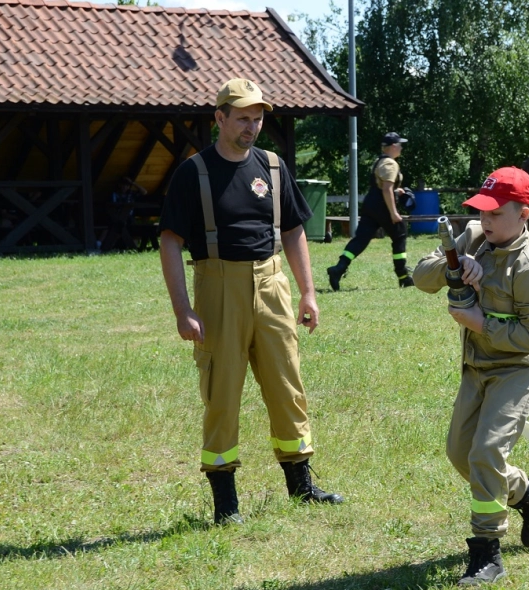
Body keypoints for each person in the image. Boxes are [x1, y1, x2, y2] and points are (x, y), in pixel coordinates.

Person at [159, 78, 344, 526]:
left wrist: (308, 292)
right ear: (219, 118)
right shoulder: (193, 173)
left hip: (272, 283)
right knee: (222, 392)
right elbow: (170, 242)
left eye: (258, 117)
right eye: (243, 117)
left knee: (287, 383)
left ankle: (301, 484)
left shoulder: (273, 167)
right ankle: (226, 503)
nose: (252, 126)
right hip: (218, 285)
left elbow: (294, 230)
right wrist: (183, 310)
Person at [412, 166, 529, 585]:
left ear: (523, 215)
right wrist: (455, 264)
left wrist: (481, 324)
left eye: (497, 213)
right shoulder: (474, 237)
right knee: (461, 453)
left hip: (518, 370)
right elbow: (421, 277)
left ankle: (486, 554)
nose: (486, 220)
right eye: (483, 211)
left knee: (487, 453)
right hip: (476, 367)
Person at [327, 132, 415, 290]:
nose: (401, 147)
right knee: (399, 234)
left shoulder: (379, 161)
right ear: (393, 146)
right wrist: (394, 213)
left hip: (371, 204)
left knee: (361, 239)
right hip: (382, 205)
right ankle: (403, 277)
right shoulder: (390, 164)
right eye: (400, 145)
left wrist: (397, 191)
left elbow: (381, 186)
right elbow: (386, 189)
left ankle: (339, 268)